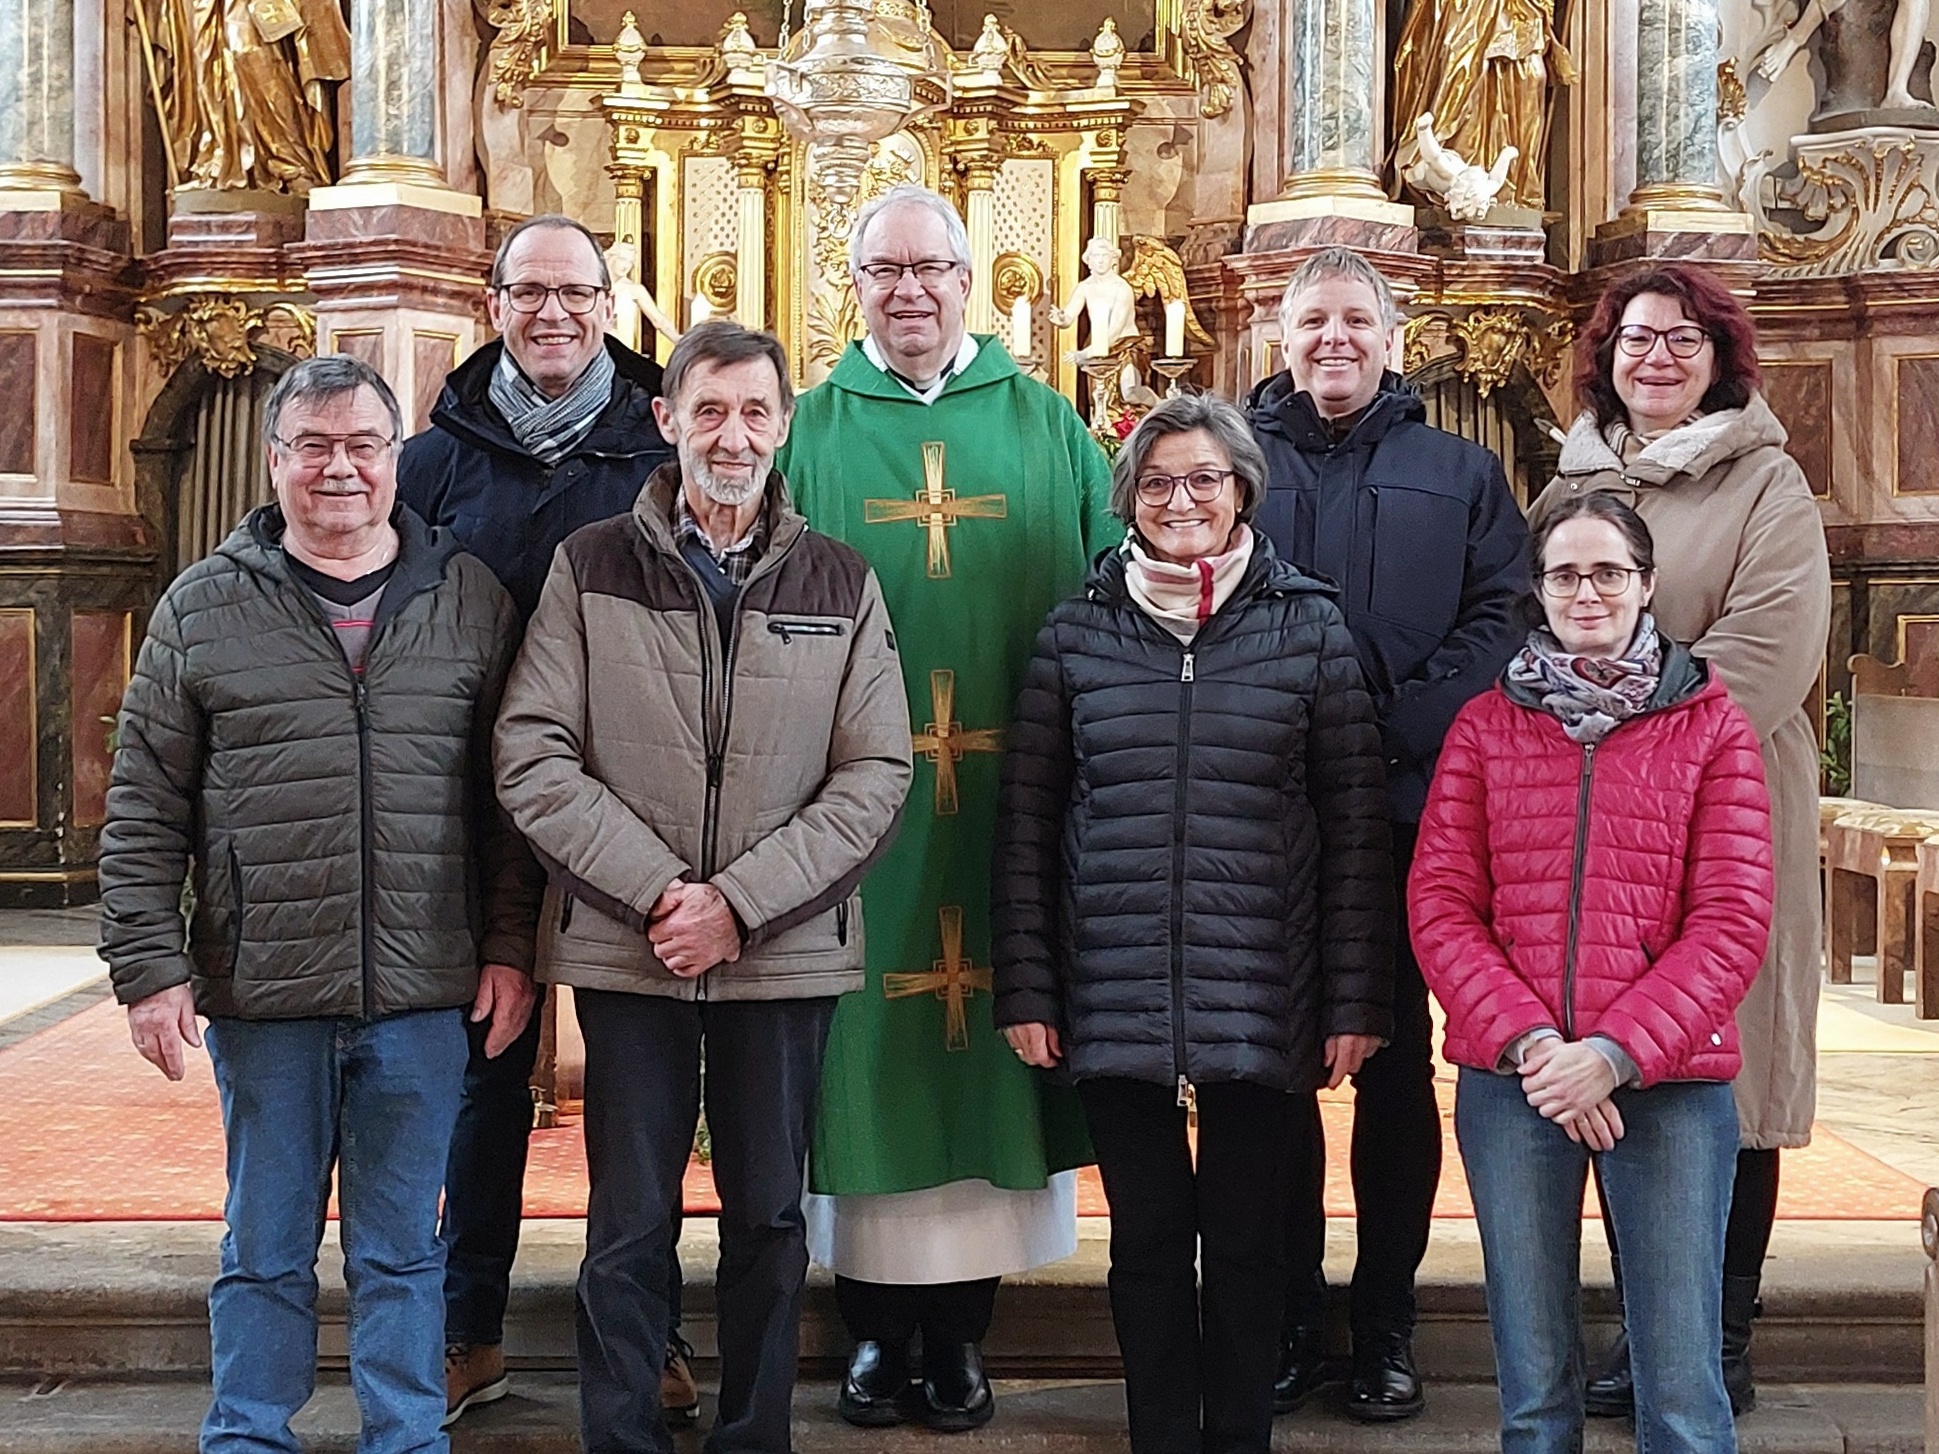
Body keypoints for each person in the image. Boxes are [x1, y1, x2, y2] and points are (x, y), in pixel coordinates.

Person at [98, 354, 537, 1454]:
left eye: (363, 446)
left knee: (401, 1247)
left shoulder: (465, 596)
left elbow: (508, 807)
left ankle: (405, 1435)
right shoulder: (204, 603)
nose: (339, 468)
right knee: (265, 1241)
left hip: (421, 987)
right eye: (315, 446)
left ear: (398, 460)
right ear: (275, 460)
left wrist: (508, 945)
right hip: (268, 986)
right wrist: (149, 967)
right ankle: (248, 1431)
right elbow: (144, 800)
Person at [492, 320, 914, 1454]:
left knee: (770, 1215)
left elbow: (875, 770)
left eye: (756, 411)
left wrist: (739, 903)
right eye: (710, 410)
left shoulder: (842, 578)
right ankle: (620, 1434)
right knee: (628, 1218)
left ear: (784, 426)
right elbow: (533, 749)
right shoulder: (590, 565)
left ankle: (753, 1433)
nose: (734, 435)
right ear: (665, 419)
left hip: (779, 952)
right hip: (631, 948)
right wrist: (660, 895)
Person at [776, 183, 1119, 1433]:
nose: (908, 288)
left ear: (972, 281)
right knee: (861, 1049)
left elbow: (1109, 604)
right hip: (845, 814)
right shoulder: (804, 430)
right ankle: (874, 1337)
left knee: (992, 1044)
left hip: (1007, 804)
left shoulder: (1048, 429)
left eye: (931, 266)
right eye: (883, 269)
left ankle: (962, 1337)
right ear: (851, 285)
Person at [992, 395, 1394, 1454]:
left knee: (1253, 1243)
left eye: (1205, 479)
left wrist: (1355, 997)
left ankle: (1241, 1436)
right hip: (1113, 979)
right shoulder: (1078, 630)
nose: (1183, 500)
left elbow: (1354, 826)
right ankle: (1160, 1434)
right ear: (1131, 498)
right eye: (1160, 481)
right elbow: (1028, 819)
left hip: (1266, 983)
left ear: (1241, 490)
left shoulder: (1307, 622)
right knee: (1149, 1240)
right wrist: (1027, 986)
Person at [394, 213, 690, 1427]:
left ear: (610, 301)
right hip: (474, 804)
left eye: (577, 292)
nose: (554, 313)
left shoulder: (660, 442)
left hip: (632, 799)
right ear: (495, 299)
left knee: (640, 1084)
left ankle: (647, 1333)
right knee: (483, 1071)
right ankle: (468, 1325)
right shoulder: (434, 456)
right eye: (531, 292)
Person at [1410, 491, 1775, 1454]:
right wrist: (1537, 1047)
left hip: (1667, 1085)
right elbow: (1442, 904)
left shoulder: (1709, 726)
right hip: (1515, 1080)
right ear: (1537, 589)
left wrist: (1612, 1053)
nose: (1587, 591)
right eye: (1565, 573)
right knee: (1532, 1397)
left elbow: (1732, 920)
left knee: (1682, 1396)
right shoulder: (1484, 728)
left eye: (1608, 572)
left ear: (1645, 585)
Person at [1533, 262, 1832, 1416]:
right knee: (1625, 1050)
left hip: (1729, 797)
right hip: (1596, 813)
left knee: (1732, 1054)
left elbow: (1772, 644)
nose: (1654, 359)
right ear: (1604, 357)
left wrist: (1638, 738)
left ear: (1719, 359)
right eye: (1634, 340)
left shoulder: (1768, 483)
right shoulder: (1569, 482)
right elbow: (1544, 621)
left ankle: (1724, 1326)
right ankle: (1651, 1323)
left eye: (1680, 341)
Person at [1246, 245, 1530, 1421]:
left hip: (1409, 808)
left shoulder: (1459, 470)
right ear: (1280, 332)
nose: (1334, 340)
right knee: (1265, 1072)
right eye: (1312, 320)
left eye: (1355, 320)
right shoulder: (1227, 461)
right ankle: (1290, 1308)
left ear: (1391, 336)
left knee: (1398, 1069)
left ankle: (1386, 1317)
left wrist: (1381, 722)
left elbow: (1501, 620)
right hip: (1258, 813)